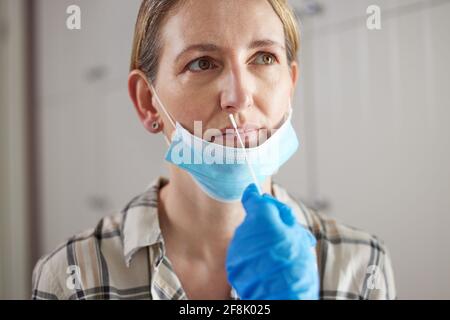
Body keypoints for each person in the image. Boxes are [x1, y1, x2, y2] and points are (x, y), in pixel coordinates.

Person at [32, 0, 396, 300]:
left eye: (264, 57)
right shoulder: (70, 278)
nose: (238, 97)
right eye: (202, 63)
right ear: (148, 103)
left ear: (291, 84)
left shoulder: (361, 266)